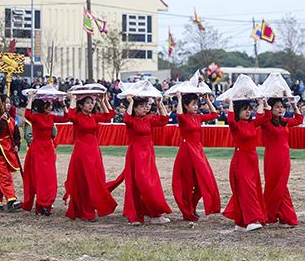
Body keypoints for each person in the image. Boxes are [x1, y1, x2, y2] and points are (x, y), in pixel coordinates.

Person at [110, 95, 172, 225]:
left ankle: (155, 214)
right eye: (142, 106)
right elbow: (126, 119)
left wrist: (159, 104)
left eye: (147, 105)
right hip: (136, 155)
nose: (146, 108)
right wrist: (131, 102)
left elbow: (164, 120)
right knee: (136, 185)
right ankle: (135, 216)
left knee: (151, 184)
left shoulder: (148, 119)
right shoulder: (131, 120)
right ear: (135, 108)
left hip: (148, 154)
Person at [63, 93, 117, 221]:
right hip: (82, 152)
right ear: (80, 105)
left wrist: (103, 101)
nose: (91, 105)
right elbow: (69, 116)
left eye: (92, 103)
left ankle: (90, 207)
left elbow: (109, 116)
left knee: (96, 179)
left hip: (94, 150)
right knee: (84, 181)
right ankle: (85, 212)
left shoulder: (93, 117)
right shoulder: (76, 117)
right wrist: (72, 100)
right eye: (88, 103)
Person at [171, 92, 220, 221]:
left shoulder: (198, 117)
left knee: (203, 180)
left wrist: (207, 100)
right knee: (187, 182)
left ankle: (192, 205)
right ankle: (188, 210)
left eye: (197, 104)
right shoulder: (183, 117)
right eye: (193, 104)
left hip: (198, 151)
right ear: (186, 106)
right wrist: (179, 98)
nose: (196, 106)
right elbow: (179, 115)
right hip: (187, 151)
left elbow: (215, 114)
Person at [223, 97, 268, 231]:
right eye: (245, 110)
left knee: (253, 189)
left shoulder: (252, 123)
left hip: (252, 160)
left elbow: (267, 118)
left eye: (249, 109)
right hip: (241, 160)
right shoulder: (235, 125)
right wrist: (230, 103)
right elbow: (230, 120)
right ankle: (252, 219)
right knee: (247, 190)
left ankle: (241, 222)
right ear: (238, 111)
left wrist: (264, 103)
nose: (248, 112)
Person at [23, 90, 70, 216]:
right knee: (40, 177)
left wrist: (63, 103)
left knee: (49, 178)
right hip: (37, 148)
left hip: (48, 149)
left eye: (50, 105)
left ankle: (46, 204)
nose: (50, 107)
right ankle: (41, 205)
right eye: (48, 105)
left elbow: (67, 118)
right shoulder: (35, 117)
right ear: (41, 106)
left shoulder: (51, 117)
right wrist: (31, 98)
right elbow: (27, 114)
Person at [261, 98, 303, 227]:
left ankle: (273, 215)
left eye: (282, 107)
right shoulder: (266, 122)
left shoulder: (284, 121)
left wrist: (294, 105)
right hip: (272, 157)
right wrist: (264, 103)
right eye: (277, 107)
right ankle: (284, 217)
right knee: (275, 186)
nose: (280, 109)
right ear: (271, 108)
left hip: (284, 157)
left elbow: (299, 120)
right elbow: (262, 116)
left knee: (281, 186)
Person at [0, 97, 22, 212]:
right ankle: (11, 200)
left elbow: (16, 135)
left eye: (9, 102)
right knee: (5, 177)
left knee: (0, 178)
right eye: (5, 103)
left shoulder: (11, 120)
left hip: (8, 151)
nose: (8, 105)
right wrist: (2, 120)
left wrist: (16, 145)